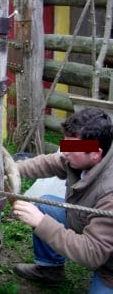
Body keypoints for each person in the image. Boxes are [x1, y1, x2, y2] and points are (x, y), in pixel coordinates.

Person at [12, 107, 113, 293]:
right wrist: (12, 169)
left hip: (108, 266)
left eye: (72, 148)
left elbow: (93, 253)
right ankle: (50, 271)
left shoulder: (110, 192)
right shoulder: (86, 156)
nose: (65, 152)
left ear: (95, 153)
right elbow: (50, 162)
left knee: (42, 216)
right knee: (44, 205)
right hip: (91, 226)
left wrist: (42, 223)